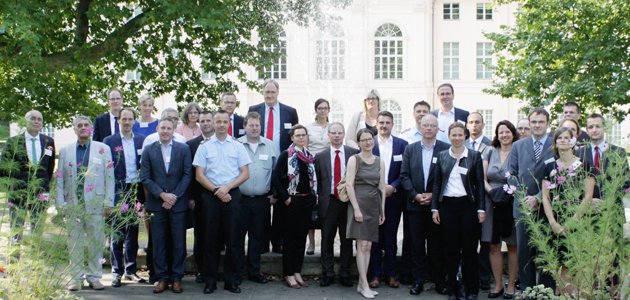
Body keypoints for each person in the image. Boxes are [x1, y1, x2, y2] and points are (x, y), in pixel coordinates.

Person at [193, 110, 251, 294]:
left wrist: (226, 188)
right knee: (210, 240)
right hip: (210, 195)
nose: (220, 124)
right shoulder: (204, 146)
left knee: (233, 240)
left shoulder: (237, 146)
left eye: (224, 121)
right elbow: (199, 175)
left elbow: (245, 173)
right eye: (217, 121)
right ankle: (210, 280)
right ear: (213, 123)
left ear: (229, 124)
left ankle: (232, 280)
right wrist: (217, 190)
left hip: (232, 195)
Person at [56, 116, 115, 291]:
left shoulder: (103, 149)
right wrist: (61, 203)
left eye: (86, 125)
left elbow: (110, 178)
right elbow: (60, 179)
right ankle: (76, 278)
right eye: (79, 125)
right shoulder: (65, 151)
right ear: (74, 129)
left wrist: (108, 202)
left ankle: (95, 276)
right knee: (75, 243)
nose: (83, 128)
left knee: (96, 242)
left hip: (96, 204)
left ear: (91, 129)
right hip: (74, 204)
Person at [431, 122, 485, 300]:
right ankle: (453, 289)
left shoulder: (474, 156)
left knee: (469, 250)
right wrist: (434, 208)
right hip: (447, 207)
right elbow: (437, 183)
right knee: (451, 250)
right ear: (449, 136)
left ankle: (472, 289)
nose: (456, 138)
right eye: (453, 135)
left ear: (465, 136)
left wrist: (480, 209)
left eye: (460, 134)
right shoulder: (442, 156)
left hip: (468, 207)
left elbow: (479, 186)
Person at [541, 127, 595, 296]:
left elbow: (588, 196)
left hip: (577, 220)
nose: (563, 140)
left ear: (573, 141)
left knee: (574, 264)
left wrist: (573, 220)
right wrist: (553, 222)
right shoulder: (549, 165)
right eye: (559, 138)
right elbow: (545, 197)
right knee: (555, 264)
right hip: (554, 222)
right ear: (555, 142)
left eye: (567, 137)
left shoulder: (584, 165)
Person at [141, 117, 192, 294]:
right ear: (157, 129)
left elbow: (187, 174)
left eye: (168, 128)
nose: (165, 131)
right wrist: (162, 195)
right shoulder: (148, 150)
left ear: (173, 130)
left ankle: (177, 278)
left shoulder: (183, 149)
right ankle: (162, 278)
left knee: (179, 243)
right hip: (157, 203)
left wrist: (174, 196)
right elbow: (145, 177)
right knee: (159, 242)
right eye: (162, 127)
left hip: (178, 204)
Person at [400, 114, 450, 295]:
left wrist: (433, 195)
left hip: (436, 207)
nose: (429, 128)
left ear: (438, 129)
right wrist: (415, 195)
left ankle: (439, 281)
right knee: (417, 246)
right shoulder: (410, 149)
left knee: (437, 246)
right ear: (420, 127)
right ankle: (418, 281)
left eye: (432, 126)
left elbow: (447, 178)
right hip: (415, 206)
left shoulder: (446, 149)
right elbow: (404, 176)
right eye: (426, 125)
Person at [507, 108, 556, 292]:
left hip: (547, 208)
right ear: (529, 123)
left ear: (547, 124)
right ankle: (527, 289)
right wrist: (524, 197)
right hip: (523, 208)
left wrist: (538, 198)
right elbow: (511, 174)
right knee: (525, 252)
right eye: (533, 122)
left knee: (546, 250)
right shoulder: (519, 146)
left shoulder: (555, 145)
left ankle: (545, 291)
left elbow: (559, 177)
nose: (537, 125)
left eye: (541, 122)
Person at [248, 79, 299, 254]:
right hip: (260, 162)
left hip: (282, 164)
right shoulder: (254, 110)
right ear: (263, 93)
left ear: (278, 93)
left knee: (280, 205)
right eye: (267, 92)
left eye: (273, 92)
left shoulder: (290, 112)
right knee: (261, 206)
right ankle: (261, 245)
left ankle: (278, 243)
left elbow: (293, 137)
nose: (269, 95)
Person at [103, 108, 146, 287]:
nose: (127, 122)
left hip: (135, 189)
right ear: (118, 121)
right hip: (117, 190)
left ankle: (130, 270)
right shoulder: (109, 142)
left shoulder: (141, 140)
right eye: (124, 119)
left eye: (130, 119)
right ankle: (116, 272)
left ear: (134, 121)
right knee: (117, 232)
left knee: (133, 231)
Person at [272, 124, 317, 289]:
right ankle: (289, 274)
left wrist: (312, 198)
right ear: (292, 138)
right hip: (291, 202)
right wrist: (286, 199)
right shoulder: (286, 155)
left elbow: (312, 180)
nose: (301, 138)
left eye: (303, 135)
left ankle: (297, 271)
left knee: (301, 238)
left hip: (306, 202)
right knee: (290, 240)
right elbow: (276, 179)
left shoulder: (310, 156)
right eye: (297, 135)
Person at [315, 122, 359, 288]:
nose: (337, 135)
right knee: (327, 239)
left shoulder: (353, 154)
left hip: (347, 202)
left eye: (340, 132)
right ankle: (327, 273)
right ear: (329, 135)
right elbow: (318, 181)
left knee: (346, 239)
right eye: (333, 132)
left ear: (343, 134)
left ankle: (345, 273)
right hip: (329, 202)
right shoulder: (320, 156)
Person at [1, 110, 55, 243]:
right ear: (26, 121)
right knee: (16, 230)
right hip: (19, 193)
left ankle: (35, 261)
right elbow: (3, 167)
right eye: (33, 118)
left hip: (40, 193)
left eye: (39, 119)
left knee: (37, 230)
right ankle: (14, 259)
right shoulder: (14, 141)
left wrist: (44, 185)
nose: (36, 121)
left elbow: (49, 167)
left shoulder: (48, 141)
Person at [368, 111, 408, 289]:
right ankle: (375, 274)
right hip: (372, 198)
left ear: (393, 125)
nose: (384, 125)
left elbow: (405, 172)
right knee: (374, 238)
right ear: (376, 124)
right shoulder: (369, 143)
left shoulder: (402, 145)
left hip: (393, 197)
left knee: (391, 237)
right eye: (381, 122)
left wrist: (394, 186)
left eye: (387, 122)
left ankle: (391, 274)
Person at [346, 128, 386, 299]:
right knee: (362, 246)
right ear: (359, 142)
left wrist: (382, 210)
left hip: (373, 205)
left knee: (368, 246)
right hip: (359, 204)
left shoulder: (379, 161)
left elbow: (382, 187)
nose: (368, 142)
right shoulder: (354, 159)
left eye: (370, 139)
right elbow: (349, 185)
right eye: (364, 140)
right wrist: (355, 208)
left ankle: (362, 284)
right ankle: (364, 284)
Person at [237, 111, 277, 284]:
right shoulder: (236, 144)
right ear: (245, 126)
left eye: (257, 125)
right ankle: (237, 273)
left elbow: (276, 172)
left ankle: (254, 272)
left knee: (257, 237)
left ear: (261, 127)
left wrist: (275, 194)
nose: (254, 128)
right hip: (239, 200)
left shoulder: (270, 145)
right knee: (237, 237)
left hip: (262, 201)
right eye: (251, 125)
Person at [483, 120, 520, 299]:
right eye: (500, 132)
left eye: (507, 132)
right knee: (494, 245)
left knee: (513, 245)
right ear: (496, 135)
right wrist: (493, 193)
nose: (504, 135)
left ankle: (511, 285)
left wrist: (507, 192)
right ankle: (497, 284)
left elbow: (521, 175)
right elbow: (482, 178)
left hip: (512, 201)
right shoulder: (490, 152)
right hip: (492, 201)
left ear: (513, 133)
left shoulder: (518, 151)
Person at [464, 111, 492, 290]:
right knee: (468, 240)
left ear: (483, 125)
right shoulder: (461, 143)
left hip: (486, 199)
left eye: (477, 122)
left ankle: (484, 276)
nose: (474, 125)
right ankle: (468, 274)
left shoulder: (491, 146)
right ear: (467, 125)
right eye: (471, 122)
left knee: (485, 240)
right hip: (465, 200)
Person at [186, 111, 214, 283]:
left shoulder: (224, 143)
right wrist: (190, 197)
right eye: (202, 121)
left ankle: (214, 268)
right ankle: (201, 270)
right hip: (199, 197)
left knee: (217, 234)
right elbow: (189, 173)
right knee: (201, 234)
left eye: (208, 120)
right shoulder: (191, 145)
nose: (205, 123)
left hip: (219, 194)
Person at [305, 98, 332, 255]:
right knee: (312, 204)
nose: (322, 110)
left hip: (328, 168)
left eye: (325, 108)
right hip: (312, 168)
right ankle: (311, 243)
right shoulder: (309, 128)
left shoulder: (332, 127)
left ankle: (325, 241)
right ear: (316, 110)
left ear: (329, 110)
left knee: (326, 204)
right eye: (320, 108)